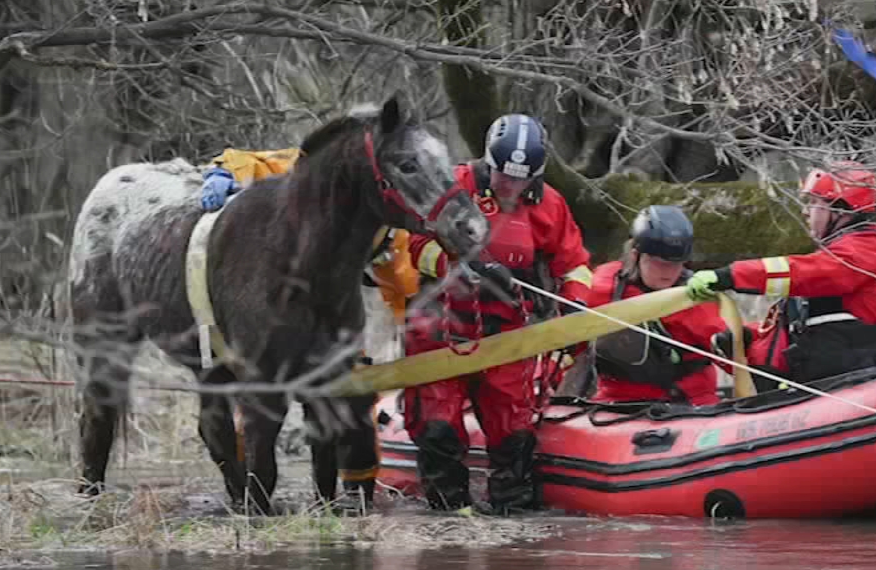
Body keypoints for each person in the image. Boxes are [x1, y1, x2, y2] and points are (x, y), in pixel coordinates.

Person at [403, 113, 593, 515]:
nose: (510, 186)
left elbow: (574, 264)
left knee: (514, 433)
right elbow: (419, 245)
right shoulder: (451, 187)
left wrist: (574, 304)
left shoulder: (551, 207)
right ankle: (448, 514)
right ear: (488, 163)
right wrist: (460, 266)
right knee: (438, 427)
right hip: (444, 329)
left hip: (509, 334)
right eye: (503, 176)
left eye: (520, 180)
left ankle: (514, 521)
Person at [685, 161, 876, 387]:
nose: (805, 212)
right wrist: (745, 337)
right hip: (838, 379)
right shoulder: (849, 249)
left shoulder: (863, 251)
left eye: (813, 203)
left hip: (870, 377)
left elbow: (802, 272)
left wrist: (729, 276)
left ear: (839, 210)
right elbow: (798, 329)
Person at [198, 146, 418, 324]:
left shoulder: (395, 228)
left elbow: (407, 289)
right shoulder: (312, 171)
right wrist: (224, 172)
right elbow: (250, 161)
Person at [583, 205, 728, 405]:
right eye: (659, 262)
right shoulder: (603, 286)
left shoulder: (695, 298)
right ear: (636, 256)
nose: (668, 271)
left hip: (686, 402)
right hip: (616, 400)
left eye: (676, 263)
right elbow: (569, 340)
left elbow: (730, 352)